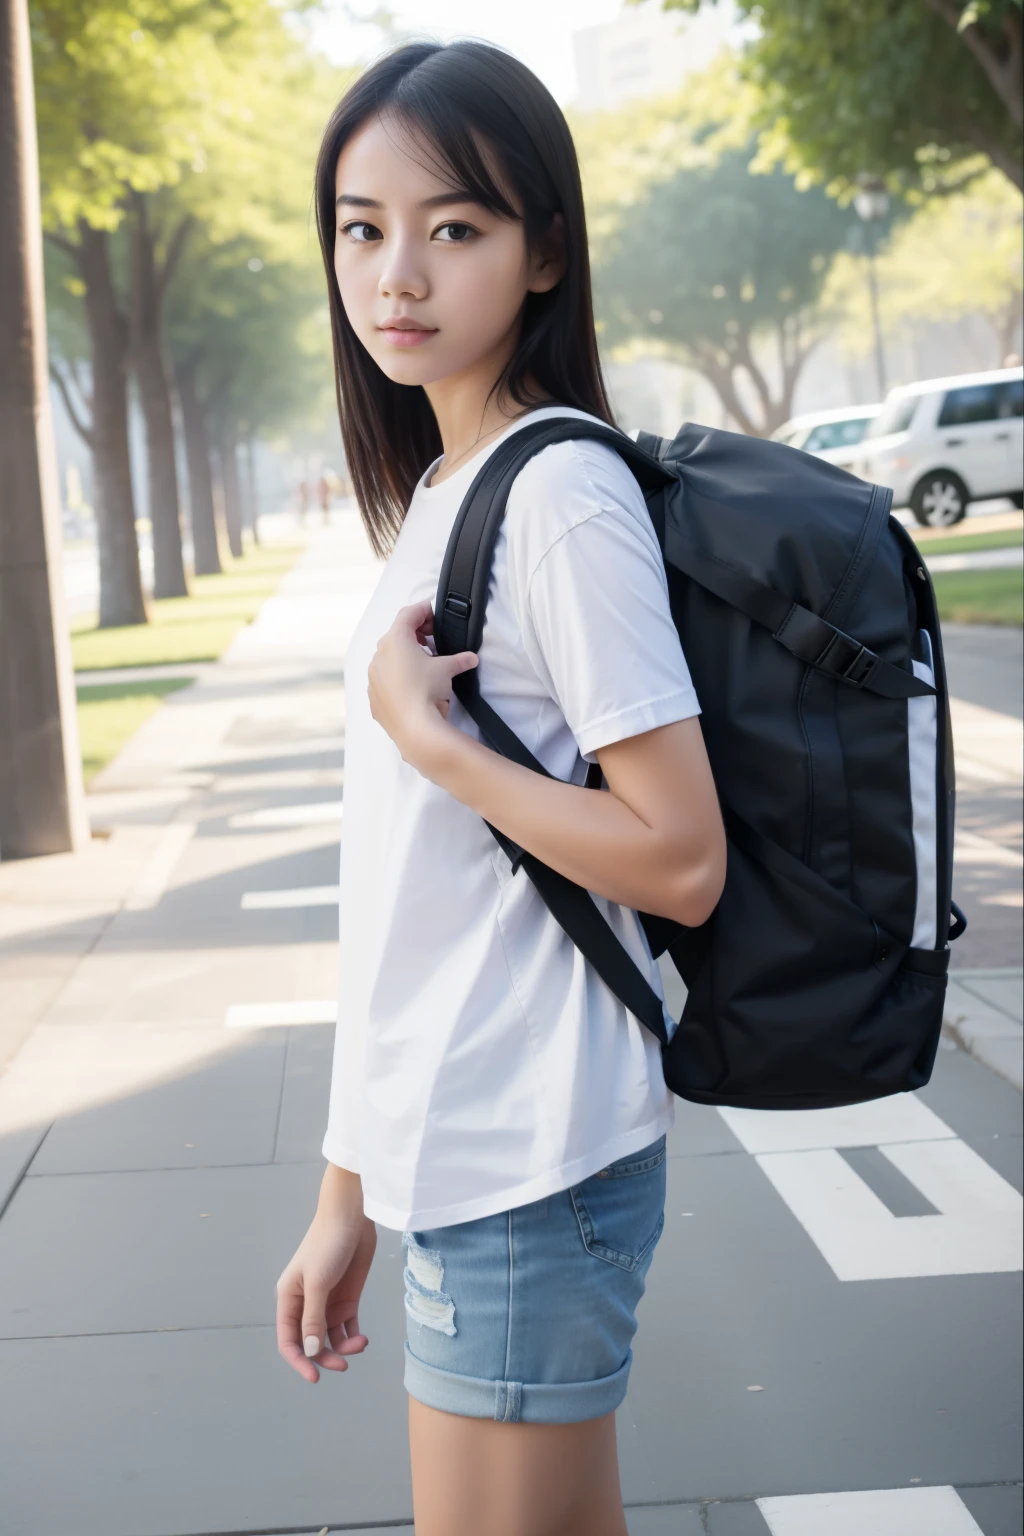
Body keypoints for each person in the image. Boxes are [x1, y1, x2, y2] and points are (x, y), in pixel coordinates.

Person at [276, 40, 726, 1536]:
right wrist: (348, 1194)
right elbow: (407, 905)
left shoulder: (560, 495)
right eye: (362, 224)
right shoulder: (442, 498)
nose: (396, 271)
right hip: (468, 1161)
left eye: (454, 227)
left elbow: (679, 855)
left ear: (544, 252)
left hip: (537, 1161)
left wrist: (442, 746)